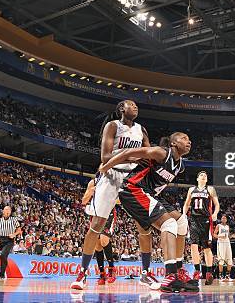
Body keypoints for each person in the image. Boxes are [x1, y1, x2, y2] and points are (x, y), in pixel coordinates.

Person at [71, 100, 158, 290]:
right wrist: (133, 156)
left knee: (144, 226)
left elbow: (149, 154)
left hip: (133, 178)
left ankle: (145, 273)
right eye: (131, 104)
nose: (135, 107)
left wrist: (139, 158)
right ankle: (82, 273)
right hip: (111, 174)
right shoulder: (112, 126)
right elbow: (105, 158)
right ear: (121, 109)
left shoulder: (141, 130)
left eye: (136, 105)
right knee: (96, 225)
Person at [98, 132, 193, 293]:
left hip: (150, 193)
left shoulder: (180, 166)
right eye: (184, 138)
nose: (188, 141)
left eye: (189, 139)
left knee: (182, 221)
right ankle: (170, 274)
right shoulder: (161, 152)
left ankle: (178, 270)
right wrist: (105, 166)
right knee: (168, 223)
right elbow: (128, 153)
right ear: (173, 143)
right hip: (133, 189)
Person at [183, 171, 219, 285]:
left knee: (206, 248)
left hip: (206, 220)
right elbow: (187, 204)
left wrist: (215, 214)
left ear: (207, 180)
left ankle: (208, 273)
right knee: (193, 246)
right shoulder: (191, 190)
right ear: (197, 178)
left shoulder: (210, 189)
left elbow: (217, 204)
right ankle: (197, 271)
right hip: (193, 219)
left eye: (205, 176)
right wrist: (184, 215)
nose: (204, 176)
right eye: (201, 175)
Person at [214, 214, 233, 281]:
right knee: (221, 259)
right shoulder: (218, 225)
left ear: (226, 220)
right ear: (221, 219)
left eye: (225, 218)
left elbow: (228, 236)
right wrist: (220, 236)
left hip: (227, 243)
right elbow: (214, 234)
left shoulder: (227, 226)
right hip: (221, 243)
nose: (223, 219)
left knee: (229, 260)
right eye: (222, 218)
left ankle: (228, 275)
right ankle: (220, 275)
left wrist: (232, 236)